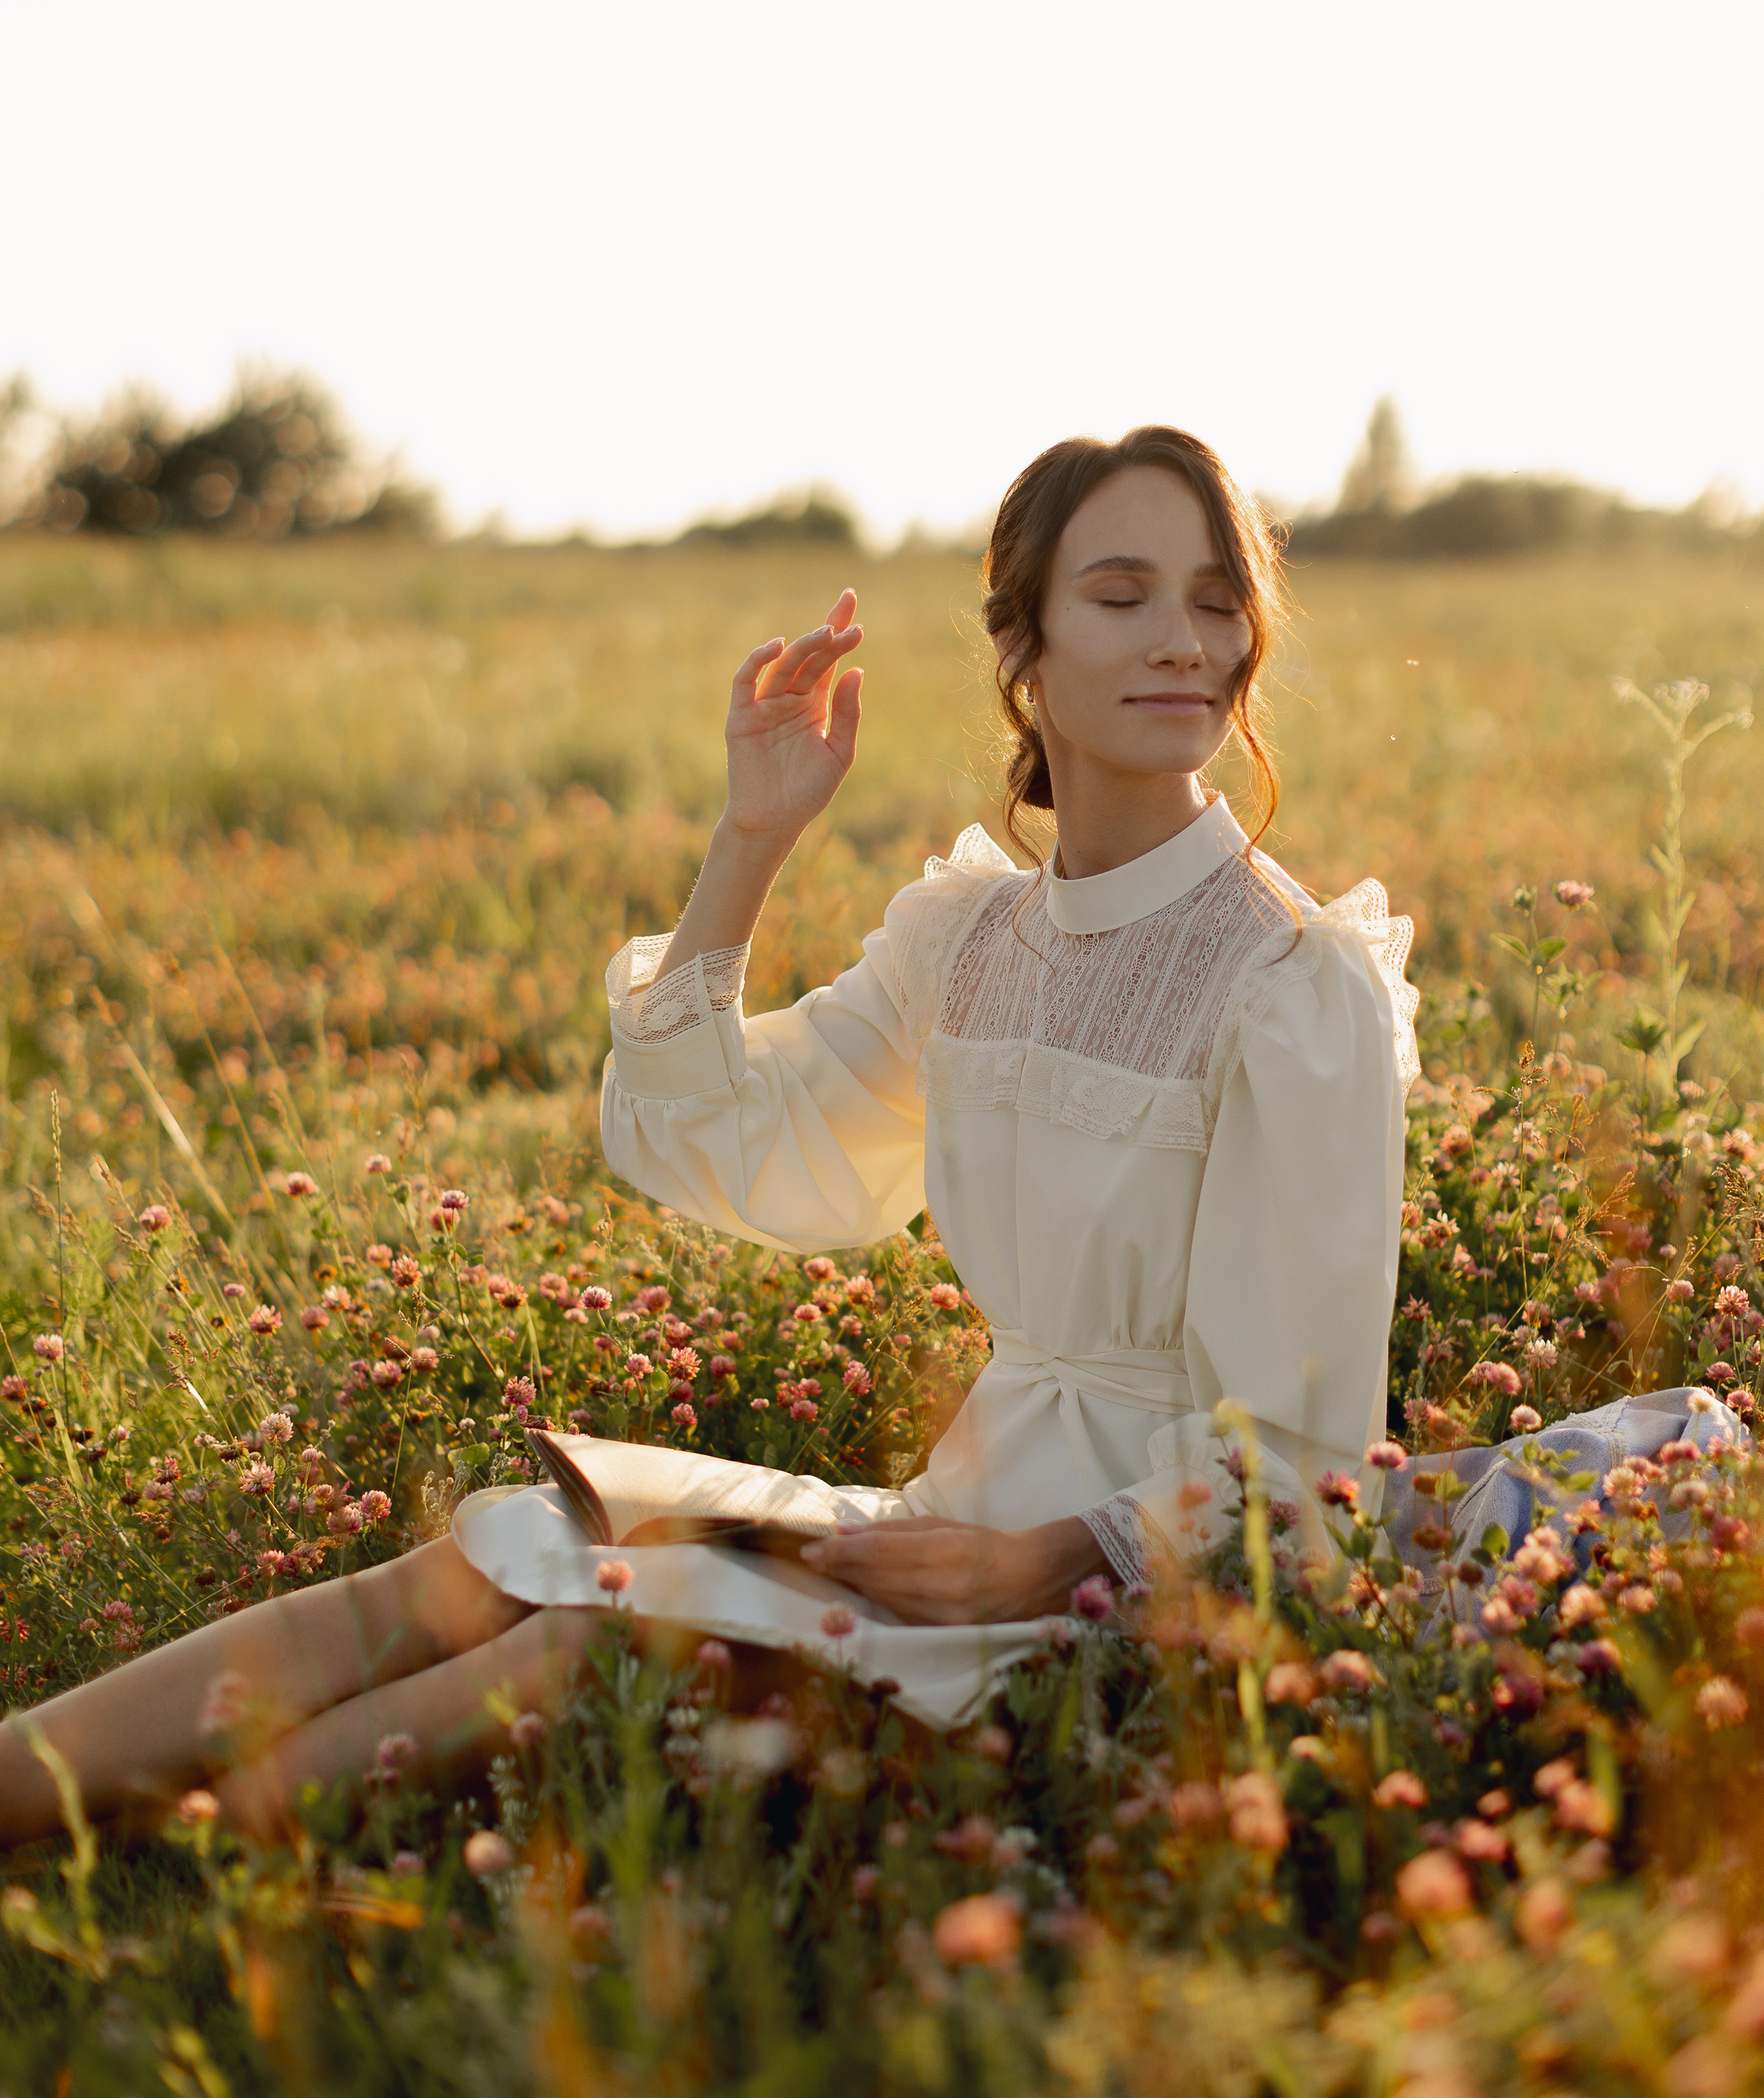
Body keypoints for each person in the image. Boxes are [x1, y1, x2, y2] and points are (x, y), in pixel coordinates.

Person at [0, 426, 1417, 1845]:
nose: (1182, 640)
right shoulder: (975, 935)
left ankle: (161, 1871)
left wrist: (1037, 1561)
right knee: (478, 1570)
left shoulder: (1293, 985)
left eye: (1215, 600)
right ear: (1023, 647)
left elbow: (1302, 1460)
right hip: (933, 1533)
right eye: (1121, 596)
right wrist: (751, 839)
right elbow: (715, 1140)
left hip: (1115, 1600)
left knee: (595, 1641)